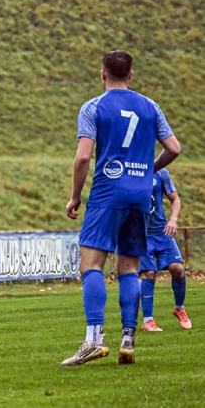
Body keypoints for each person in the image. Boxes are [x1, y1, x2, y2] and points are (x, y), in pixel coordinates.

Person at [62, 50, 181, 366]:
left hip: (107, 193)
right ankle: (128, 338)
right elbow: (174, 148)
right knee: (129, 267)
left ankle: (94, 340)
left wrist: (75, 196)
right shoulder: (151, 107)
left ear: (103, 74)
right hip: (140, 196)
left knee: (91, 265)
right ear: (130, 75)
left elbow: (84, 157)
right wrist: (148, 171)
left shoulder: (93, 107)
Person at [140, 169, 192, 332]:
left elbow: (175, 199)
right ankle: (148, 320)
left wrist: (173, 219)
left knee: (177, 269)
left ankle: (180, 308)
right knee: (149, 273)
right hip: (140, 234)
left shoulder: (161, 173)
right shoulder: (129, 170)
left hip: (162, 232)